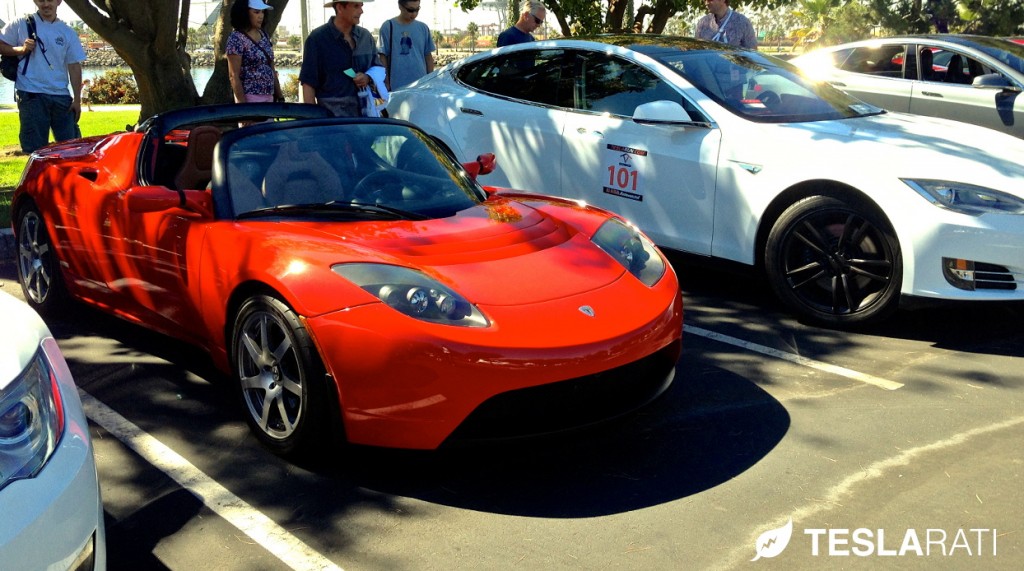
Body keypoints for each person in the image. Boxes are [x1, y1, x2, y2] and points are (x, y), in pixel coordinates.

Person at [0, 0, 86, 154]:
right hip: (31, 94)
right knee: (35, 151)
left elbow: (74, 66)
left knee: (72, 148)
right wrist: (21, 49)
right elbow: (1, 45)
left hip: (61, 96)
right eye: (41, 0)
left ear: (59, 1)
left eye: (50, 0)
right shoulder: (20, 24)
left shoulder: (67, 32)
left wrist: (77, 100)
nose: (46, 4)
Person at [300, 1, 383, 117]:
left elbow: (378, 68)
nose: (361, 11)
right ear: (339, 8)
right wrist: (313, 120)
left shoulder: (366, 37)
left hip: (367, 116)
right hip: (332, 119)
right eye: (356, 6)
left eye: (361, 6)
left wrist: (368, 77)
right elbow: (308, 83)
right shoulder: (317, 39)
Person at [226, 0, 283, 104]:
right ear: (244, 13)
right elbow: (233, 76)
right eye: (256, 12)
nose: (261, 16)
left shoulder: (264, 35)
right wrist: (244, 109)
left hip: (269, 97)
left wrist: (280, 96)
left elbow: (271, 67)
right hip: (249, 99)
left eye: (262, 12)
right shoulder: (236, 38)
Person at [378, 0, 435, 91]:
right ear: (400, 6)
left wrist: (430, 81)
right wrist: (386, 82)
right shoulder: (388, 27)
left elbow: (428, 56)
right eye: (410, 10)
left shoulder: (423, 28)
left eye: (417, 9)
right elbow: (382, 57)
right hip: (396, 86)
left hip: (421, 86)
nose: (414, 14)